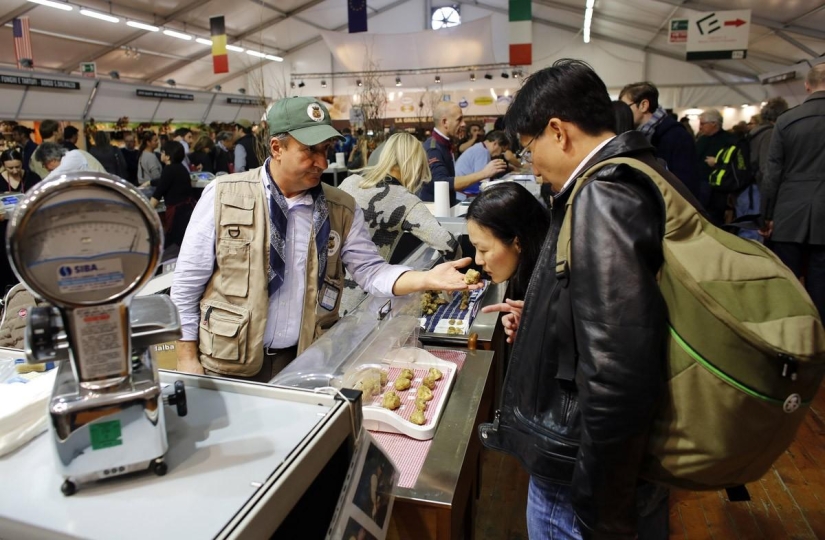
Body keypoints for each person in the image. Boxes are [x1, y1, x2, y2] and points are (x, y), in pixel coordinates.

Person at [480, 59, 674, 540]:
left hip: (578, 465)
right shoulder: (636, 171)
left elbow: (618, 366)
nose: (534, 167)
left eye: (529, 150)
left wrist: (599, 503)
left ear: (558, 131)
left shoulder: (604, 195)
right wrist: (548, 316)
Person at [170, 97, 478, 382]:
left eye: (326, 150)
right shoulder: (225, 195)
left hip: (305, 363)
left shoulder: (341, 208)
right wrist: (186, 358)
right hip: (227, 363)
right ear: (277, 148)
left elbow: (370, 271)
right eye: (310, 150)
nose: (322, 161)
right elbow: (186, 287)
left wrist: (425, 279)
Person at [338, 132, 460, 313]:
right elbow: (447, 244)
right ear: (416, 163)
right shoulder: (403, 199)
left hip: (329, 294)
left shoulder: (349, 182)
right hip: (364, 298)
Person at [760, 64, 825, 317]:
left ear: (806, 85)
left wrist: (765, 216)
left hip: (789, 213)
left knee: (786, 282)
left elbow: (772, 172)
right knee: (821, 285)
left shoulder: (786, 121)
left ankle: (788, 337)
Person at [466, 182, 551, 344]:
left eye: (483, 250)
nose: (478, 260)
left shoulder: (556, 284)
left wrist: (543, 322)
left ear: (518, 243)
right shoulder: (531, 279)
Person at [619, 82, 702, 205]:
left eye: (626, 107)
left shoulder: (676, 136)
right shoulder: (642, 135)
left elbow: (686, 183)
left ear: (643, 105)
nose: (623, 112)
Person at [420, 102, 507, 206]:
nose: (463, 124)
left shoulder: (444, 144)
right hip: (436, 212)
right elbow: (442, 183)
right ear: (445, 122)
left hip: (447, 206)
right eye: (459, 119)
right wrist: (484, 173)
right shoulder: (433, 148)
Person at [150, 141, 196, 248]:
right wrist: (150, 182)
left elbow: (158, 193)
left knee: (171, 244)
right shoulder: (181, 167)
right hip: (187, 209)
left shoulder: (169, 169)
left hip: (177, 214)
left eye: (162, 152)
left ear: (167, 156)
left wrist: (146, 209)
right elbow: (165, 181)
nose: (161, 154)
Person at [695, 109, 737, 223]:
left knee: (715, 218)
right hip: (701, 184)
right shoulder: (702, 139)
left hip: (718, 188)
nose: (700, 127)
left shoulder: (729, 140)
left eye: (703, 124)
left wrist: (717, 162)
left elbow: (733, 162)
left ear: (714, 123)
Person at [454, 130, 510, 196]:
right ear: (495, 144)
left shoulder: (480, 147)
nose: (500, 154)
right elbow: (483, 181)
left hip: (463, 190)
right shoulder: (482, 152)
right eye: (502, 150)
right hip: (464, 194)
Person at [34, 142, 103, 181]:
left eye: (45, 165)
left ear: (52, 160)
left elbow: (54, 176)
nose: (47, 169)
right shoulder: (70, 158)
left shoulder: (72, 156)